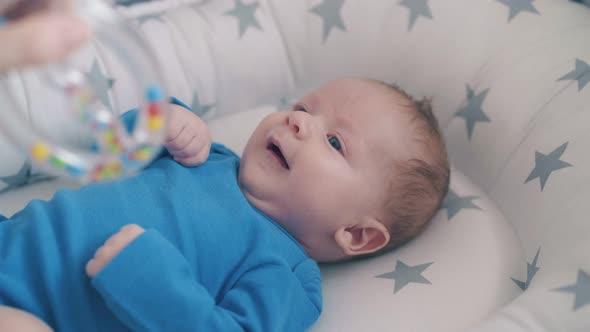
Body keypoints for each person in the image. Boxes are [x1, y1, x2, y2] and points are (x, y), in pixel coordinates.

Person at [0, 77, 450, 331]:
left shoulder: (285, 275)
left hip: (41, 312)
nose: (298, 121)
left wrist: (147, 278)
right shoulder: (205, 155)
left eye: (335, 141)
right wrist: (161, 123)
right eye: (303, 107)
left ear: (356, 234)